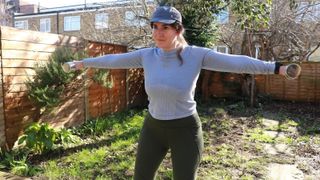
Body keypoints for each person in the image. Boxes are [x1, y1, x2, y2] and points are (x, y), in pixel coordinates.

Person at [68, 6, 300, 180]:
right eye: (155, 27)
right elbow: (114, 60)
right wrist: (83, 62)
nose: (158, 32)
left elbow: (236, 62)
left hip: (185, 131)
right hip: (153, 128)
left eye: (165, 27)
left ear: (177, 30)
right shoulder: (147, 55)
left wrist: (276, 68)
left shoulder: (196, 55)